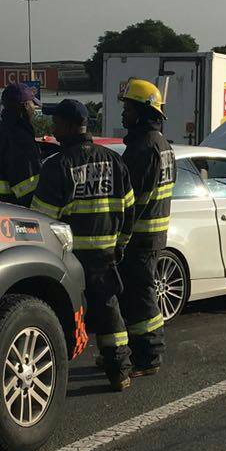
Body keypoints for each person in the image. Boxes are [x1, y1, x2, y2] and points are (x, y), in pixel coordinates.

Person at [31, 99, 136, 390]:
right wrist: (120, 245)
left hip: (70, 256)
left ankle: (53, 375)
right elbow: (129, 209)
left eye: (56, 124)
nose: (53, 129)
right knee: (108, 308)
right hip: (106, 255)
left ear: (68, 125)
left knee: (63, 312)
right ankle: (119, 371)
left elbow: (43, 219)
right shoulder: (114, 160)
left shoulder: (58, 166)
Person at [118, 79, 175, 377]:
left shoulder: (144, 147)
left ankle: (149, 356)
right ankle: (141, 353)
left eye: (127, 108)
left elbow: (133, 201)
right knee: (138, 295)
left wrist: (119, 234)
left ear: (141, 111)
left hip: (140, 236)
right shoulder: (161, 144)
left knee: (141, 297)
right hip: (151, 235)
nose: (123, 114)